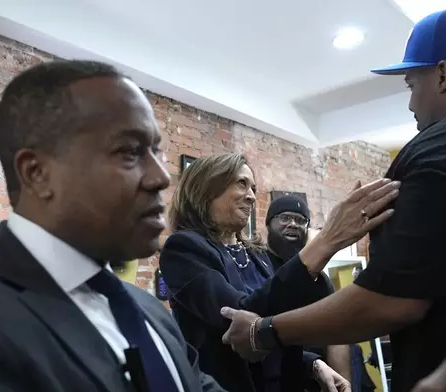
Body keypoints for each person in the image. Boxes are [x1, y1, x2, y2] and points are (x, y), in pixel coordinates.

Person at [220, 7, 446, 392]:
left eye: (413, 85)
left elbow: (392, 301)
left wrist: (265, 331)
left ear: (444, 74)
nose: (412, 105)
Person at [0, 60, 225, 392]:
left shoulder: (148, 310)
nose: (161, 178)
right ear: (38, 173)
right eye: (128, 151)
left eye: (155, 152)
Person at [159, 152, 400, 392]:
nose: (252, 196)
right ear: (206, 188)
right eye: (242, 184)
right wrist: (326, 241)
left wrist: (312, 363)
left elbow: (276, 323)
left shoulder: (257, 255)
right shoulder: (183, 249)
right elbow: (240, 318)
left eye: (253, 187)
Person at [265, 194, 352, 386]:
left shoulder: (319, 278)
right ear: (269, 224)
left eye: (300, 220)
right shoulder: (256, 264)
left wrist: (343, 383)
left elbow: (336, 332)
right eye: (285, 218)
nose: (293, 224)